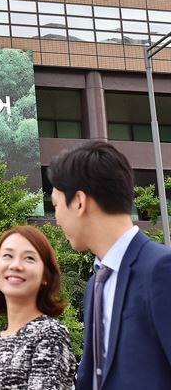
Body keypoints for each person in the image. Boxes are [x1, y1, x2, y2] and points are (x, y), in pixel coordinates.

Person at [48, 140, 171, 390]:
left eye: (56, 206)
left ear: (80, 202)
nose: (56, 220)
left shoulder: (161, 269)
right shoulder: (97, 282)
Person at [0, 225, 77, 390]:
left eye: (29, 258)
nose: (15, 265)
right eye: (8, 256)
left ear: (45, 275)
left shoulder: (50, 333)